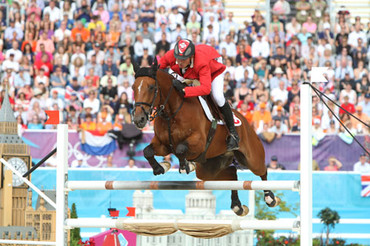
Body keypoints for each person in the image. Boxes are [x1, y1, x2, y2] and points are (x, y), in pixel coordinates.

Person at [159, 39, 239, 151]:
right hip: (190, 71)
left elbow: (206, 89)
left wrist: (185, 91)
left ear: (191, 57)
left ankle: (233, 134)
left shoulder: (201, 62)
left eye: (183, 59)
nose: (180, 62)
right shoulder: (172, 55)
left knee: (218, 97)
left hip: (213, 69)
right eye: (178, 58)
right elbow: (156, 68)